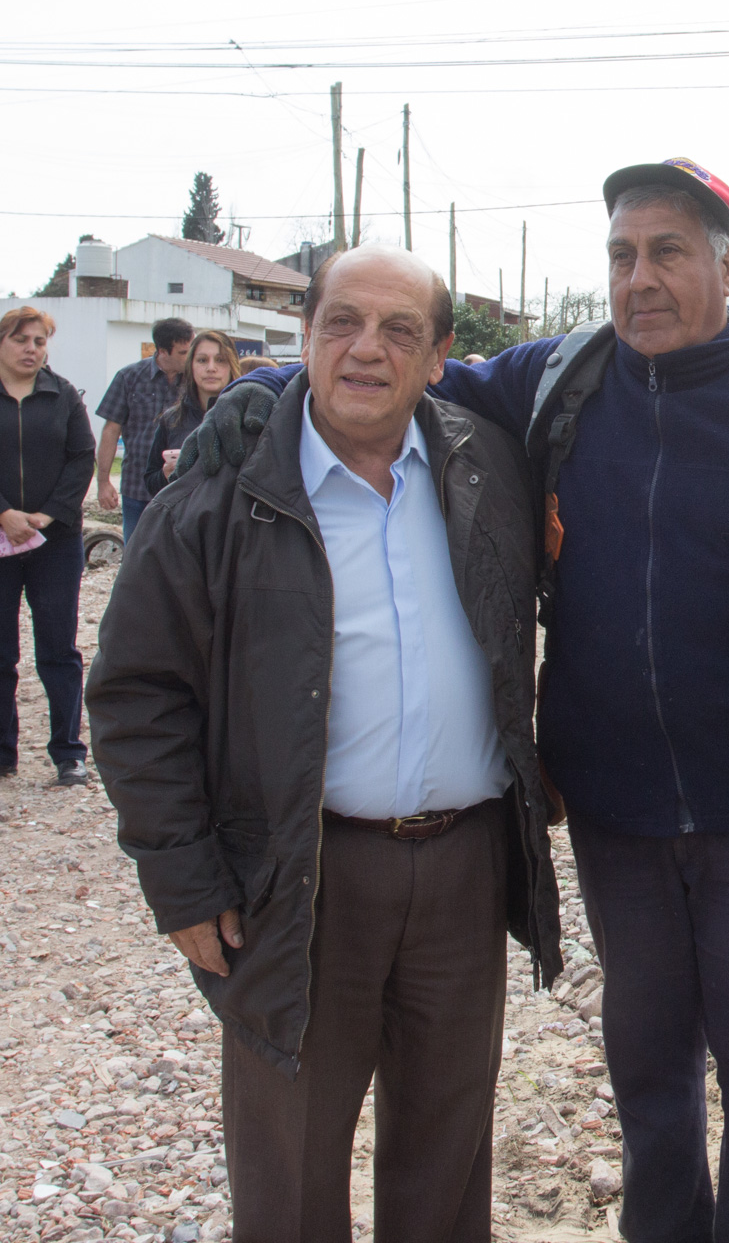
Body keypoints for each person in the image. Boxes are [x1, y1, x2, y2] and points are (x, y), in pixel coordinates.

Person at [181, 159, 729, 1243]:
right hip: (614, 815)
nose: (639, 278)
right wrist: (261, 391)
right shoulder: (562, 380)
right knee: (647, 1073)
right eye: (621, 255)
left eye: (668, 253)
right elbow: (400, 367)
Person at [87, 246, 563, 1242]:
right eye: (342, 321)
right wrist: (182, 878)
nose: (365, 349)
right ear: (305, 334)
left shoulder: (488, 468)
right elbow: (137, 693)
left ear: (439, 355)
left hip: (464, 871)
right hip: (296, 879)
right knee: (290, 1171)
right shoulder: (219, 491)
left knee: (447, 1165)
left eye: (399, 330)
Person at [0, 307, 96, 787]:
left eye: (39, 341)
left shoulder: (64, 396)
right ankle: (3, 753)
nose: (31, 349)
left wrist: (50, 513)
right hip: (0, 538)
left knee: (58, 650)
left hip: (54, 541)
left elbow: (82, 458)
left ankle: (69, 753)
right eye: (21, 340)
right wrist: (4, 513)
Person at [96, 316, 191, 542]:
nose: (189, 358)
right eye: (183, 352)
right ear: (163, 351)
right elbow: (111, 430)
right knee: (136, 551)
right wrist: (103, 481)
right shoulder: (129, 377)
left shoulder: (195, 380)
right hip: (137, 487)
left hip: (183, 487)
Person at [147, 329, 239, 492]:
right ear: (191, 365)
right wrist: (166, 474)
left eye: (220, 360)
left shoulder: (247, 416)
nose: (211, 368)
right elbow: (150, 481)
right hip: (184, 507)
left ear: (232, 365)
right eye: (202, 360)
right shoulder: (172, 420)